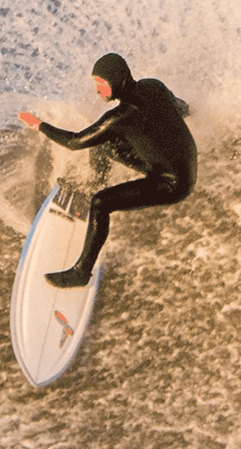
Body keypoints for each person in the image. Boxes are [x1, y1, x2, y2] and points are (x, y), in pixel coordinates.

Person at [19, 52, 196, 288]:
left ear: (116, 81)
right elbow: (181, 107)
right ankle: (95, 181)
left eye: (101, 84)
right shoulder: (153, 86)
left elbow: (75, 142)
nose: (97, 90)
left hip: (172, 183)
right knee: (104, 145)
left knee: (101, 203)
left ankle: (81, 273)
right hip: (185, 163)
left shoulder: (120, 117)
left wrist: (39, 125)